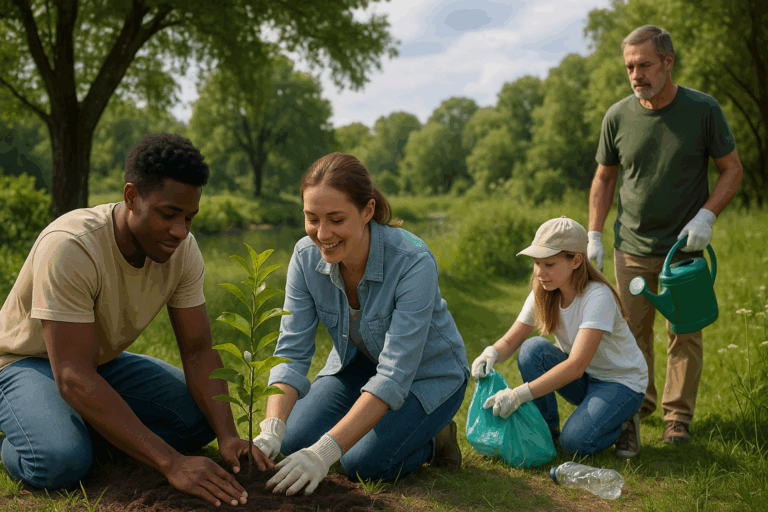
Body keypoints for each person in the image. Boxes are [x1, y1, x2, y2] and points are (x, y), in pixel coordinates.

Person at [0, 133, 272, 507]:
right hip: (25, 363)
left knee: (199, 420)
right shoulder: (71, 246)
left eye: (190, 217)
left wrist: (227, 435)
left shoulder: (183, 250)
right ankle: (25, 437)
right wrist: (170, 462)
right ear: (131, 197)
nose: (180, 231)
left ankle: (84, 428)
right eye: (168, 214)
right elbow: (71, 375)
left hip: (98, 365)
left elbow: (198, 350)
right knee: (58, 461)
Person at [252, 152, 469, 496]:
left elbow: (395, 374)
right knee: (292, 442)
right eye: (312, 219)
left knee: (360, 463)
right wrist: (271, 429)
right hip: (358, 366)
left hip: (428, 377)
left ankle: (435, 439)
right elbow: (291, 351)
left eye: (336, 219)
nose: (322, 234)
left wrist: (324, 453)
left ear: (367, 211)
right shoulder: (305, 258)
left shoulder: (413, 261)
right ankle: (364, 427)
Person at [588, 25, 743, 445]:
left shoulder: (703, 110)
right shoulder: (617, 116)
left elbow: (732, 169)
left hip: (684, 251)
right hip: (631, 249)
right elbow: (604, 177)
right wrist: (594, 235)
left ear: (668, 62)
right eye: (629, 66)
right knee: (631, 333)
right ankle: (635, 407)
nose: (635, 74)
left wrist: (707, 217)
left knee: (684, 333)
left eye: (644, 64)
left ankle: (678, 419)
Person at [472, 216, 648, 459]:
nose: (540, 272)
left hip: (620, 382)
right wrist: (490, 352)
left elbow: (576, 365)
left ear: (576, 261)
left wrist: (517, 395)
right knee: (532, 349)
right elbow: (512, 341)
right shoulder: (544, 291)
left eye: (549, 264)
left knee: (576, 443)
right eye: (536, 263)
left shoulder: (598, 297)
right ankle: (546, 430)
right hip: (587, 377)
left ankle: (623, 422)